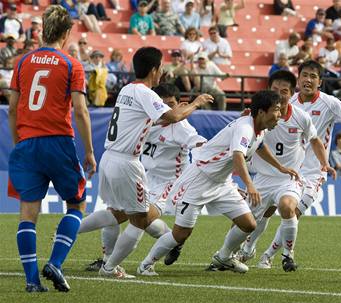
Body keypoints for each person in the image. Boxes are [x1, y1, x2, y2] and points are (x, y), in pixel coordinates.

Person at [137, 90, 298, 275]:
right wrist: (250, 184)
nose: (280, 114)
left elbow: (259, 146)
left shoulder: (259, 129)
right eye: (276, 110)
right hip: (199, 179)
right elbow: (237, 155)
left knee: (249, 224)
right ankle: (146, 264)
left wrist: (281, 168)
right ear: (261, 112)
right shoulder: (245, 127)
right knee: (181, 234)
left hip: (221, 183)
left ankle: (224, 256)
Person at [251, 60, 341, 268]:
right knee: (268, 210)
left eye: (313, 76)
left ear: (320, 82)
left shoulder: (329, 103)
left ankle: (270, 255)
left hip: (315, 171)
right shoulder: (286, 102)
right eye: (305, 75)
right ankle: (250, 248)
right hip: (290, 170)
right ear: (298, 79)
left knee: (293, 212)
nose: (308, 80)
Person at [87, 46, 212, 279]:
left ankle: (70, 234)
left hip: (113, 159)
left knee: (120, 213)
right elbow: (173, 115)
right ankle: (110, 266)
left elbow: (189, 135)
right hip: (128, 163)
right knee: (137, 220)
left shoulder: (126, 89)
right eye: (161, 67)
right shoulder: (147, 96)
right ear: (155, 69)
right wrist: (196, 103)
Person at [8, 5, 96, 292]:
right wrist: (89, 152)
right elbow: (81, 111)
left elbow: (12, 109)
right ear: (67, 32)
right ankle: (55, 263)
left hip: (27, 143)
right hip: (58, 141)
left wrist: (18, 142)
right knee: (77, 204)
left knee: (27, 212)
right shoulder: (72, 64)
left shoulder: (21, 62)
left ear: (43, 30)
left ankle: (32, 281)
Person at [233, 70, 336, 272]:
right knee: (250, 220)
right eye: (275, 90)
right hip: (263, 177)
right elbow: (253, 142)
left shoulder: (301, 117)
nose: (279, 95)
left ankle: (287, 255)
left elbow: (315, 140)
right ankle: (241, 251)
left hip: (289, 178)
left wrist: (324, 163)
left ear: (291, 93)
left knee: (287, 208)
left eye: (284, 91)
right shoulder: (259, 114)